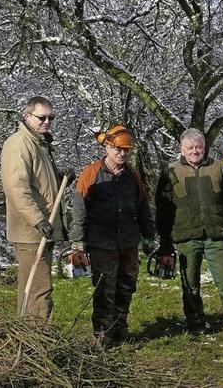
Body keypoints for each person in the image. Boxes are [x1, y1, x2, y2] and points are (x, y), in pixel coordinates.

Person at [70, 124, 155, 346]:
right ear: (107, 146)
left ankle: (120, 326)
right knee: (103, 288)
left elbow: (142, 208)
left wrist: (148, 236)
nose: (122, 154)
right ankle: (103, 332)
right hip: (102, 242)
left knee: (126, 286)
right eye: (118, 149)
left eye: (126, 150)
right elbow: (79, 210)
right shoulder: (91, 174)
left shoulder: (133, 176)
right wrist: (78, 240)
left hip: (128, 241)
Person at [155, 128, 223, 334]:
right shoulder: (170, 171)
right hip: (186, 237)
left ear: (205, 148)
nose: (195, 151)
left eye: (199, 147)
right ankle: (195, 324)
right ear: (182, 149)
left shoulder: (220, 168)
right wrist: (165, 241)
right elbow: (163, 209)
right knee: (190, 284)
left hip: (216, 234)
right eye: (190, 148)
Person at [0, 96, 74, 320]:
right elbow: (16, 188)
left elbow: (41, 185)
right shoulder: (19, 144)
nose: (47, 122)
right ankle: (39, 339)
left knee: (32, 289)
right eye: (41, 117)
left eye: (51, 117)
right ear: (27, 116)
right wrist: (38, 220)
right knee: (39, 289)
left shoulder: (40, 145)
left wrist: (62, 179)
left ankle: (29, 336)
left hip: (42, 228)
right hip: (32, 231)